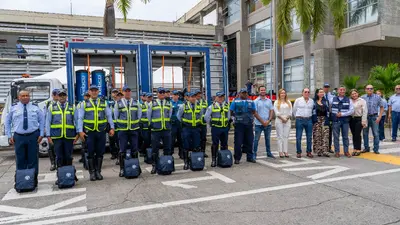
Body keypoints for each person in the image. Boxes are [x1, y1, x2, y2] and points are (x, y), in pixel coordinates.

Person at [77, 85, 115, 181]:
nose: (94, 92)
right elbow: (80, 118)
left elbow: (109, 115)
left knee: (100, 152)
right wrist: (80, 131)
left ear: (98, 92)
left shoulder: (103, 103)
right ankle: (92, 173)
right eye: (92, 90)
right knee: (90, 152)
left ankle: (98, 172)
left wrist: (112, 128)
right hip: (89, 132)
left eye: (95, 91)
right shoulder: (84, 104)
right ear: (89, 92)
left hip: (101, 132)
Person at [5, 90, 44, 182]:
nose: (25, 97)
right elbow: (7, 121)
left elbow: (42, 120)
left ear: (29, 97)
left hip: (33, 136)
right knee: (20, 159)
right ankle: (21, 180)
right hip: (19, 136)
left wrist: (41, 134)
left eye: (27, 95)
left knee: (33, 159)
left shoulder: (35, 107)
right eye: (23, 96)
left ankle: (33, 180)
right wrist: (9, 135)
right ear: (19, 97)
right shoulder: (13, 108)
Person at [45, 89, 79, 183]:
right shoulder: (51, 107)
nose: (62, 97)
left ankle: (69, 175)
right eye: (60, 95)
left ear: (66, 96)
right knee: (59, 157)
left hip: (69, 136)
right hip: (57, 136)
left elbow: (77, 121)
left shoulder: (72, 107)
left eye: (64, 95)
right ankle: (60, 176)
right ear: (57, 97)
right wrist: (48, 135)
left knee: (68, 156)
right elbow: (47, 122)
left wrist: (77, 134)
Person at [230, 88, 264, 164]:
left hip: (249, 124)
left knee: (249, 141)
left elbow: (254, 111)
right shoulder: (235, 101)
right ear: (240, 94)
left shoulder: (251, 102)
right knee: (238, 142)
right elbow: (231, 111)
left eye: (245, 93)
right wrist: (232, 119)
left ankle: (250, 157)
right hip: (239, 124)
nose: (244, 94)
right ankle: (237, 158)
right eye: (243, 93)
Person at [114, 86, 141, 177]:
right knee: (122, 150)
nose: (128, 93)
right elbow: (116, 116)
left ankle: (136, 167)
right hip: (123, 130)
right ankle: (122, 169)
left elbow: (139, 116)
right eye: (126, 91)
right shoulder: (118, 103)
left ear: (131, 92)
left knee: (135, 149)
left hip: (133, 130)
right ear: (123, 92)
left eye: (129, 91)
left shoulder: (136, 103)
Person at [147, 87, 173, 174]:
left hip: (166, 129)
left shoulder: (169, 103)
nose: (162, 94)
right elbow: (148, 116)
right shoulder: (152, 104)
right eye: (160, 92)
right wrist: (153, 125)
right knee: (155, 149)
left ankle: (167, 165)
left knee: (167, 148)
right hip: (156, 129)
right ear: (157, 94)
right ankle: (155, 166)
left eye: (163, 92)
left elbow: (169, 115)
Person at [177, 92, 202, 170]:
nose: (193, 98)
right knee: (186, 146)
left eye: (194, 97)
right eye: (191, 97)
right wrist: (184, 123)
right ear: (188, 98)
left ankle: (195, 162)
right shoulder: (183, 106)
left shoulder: (199, 106)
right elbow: (178, 116)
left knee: (196, 145)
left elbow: (201, 115)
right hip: (186, 128)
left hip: (196, 128)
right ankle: (186, 162)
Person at [205, 91, 230, 167]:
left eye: (222, 97)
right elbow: (206, 117)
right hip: (216, 128)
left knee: (224, 144)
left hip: (224, 128)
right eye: (219, 97)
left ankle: (223, 159)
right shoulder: (211, 106)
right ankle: (214, 160)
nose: (221, 98)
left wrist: (226, 123)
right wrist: (211, 124)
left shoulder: (226, 105)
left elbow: (228, 117)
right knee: (215, 144)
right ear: (216, 98)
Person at [331, 86, 354, 158]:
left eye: (343, 90)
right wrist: (334, 115)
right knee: (336, 137)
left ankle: (346, 151)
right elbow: (329, 108)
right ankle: (337, 152)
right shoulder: (332, 99)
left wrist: (342, 114)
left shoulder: (349, 100)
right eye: (340, 90)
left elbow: (351, 110)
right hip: (336, 121)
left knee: (345, 137)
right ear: (338, 91)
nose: (342, 91)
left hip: (345, 121)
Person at [253, 86, 274, 159]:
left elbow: (271, 110)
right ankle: (254, 154)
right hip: (258, 124)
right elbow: (255, 113)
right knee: (256, 140)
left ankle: (269, 153)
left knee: (267, 139)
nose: (263, 91)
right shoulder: (255, 101)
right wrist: (262, 122)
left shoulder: (269, 101)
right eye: (261, 90)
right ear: (259, 91)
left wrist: (269, 120)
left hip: (268, 124)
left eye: (264, 90)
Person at [361, 84, 383, 154]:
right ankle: (366, 148)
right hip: (365, 117)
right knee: (365, 133)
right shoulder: (362, 97)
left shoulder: (377, 97)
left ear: (373, 89)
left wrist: (379, 117)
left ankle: (376, 149)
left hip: (374, 117)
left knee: (376, 134)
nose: (369, 90)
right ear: (365, 90)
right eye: (368, 88)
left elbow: (382, 107)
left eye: (371, 88)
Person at [293, 88, 314, 158]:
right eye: (305, 92)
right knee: (298, 137)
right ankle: (299, 152)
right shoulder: (298, 100)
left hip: (309, 120)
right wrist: (297, 117)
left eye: (308, 92)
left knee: (309, 137)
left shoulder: (312, 101)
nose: (307, 93)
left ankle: (309, 152)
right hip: (300, 120)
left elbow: (313, 111)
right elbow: (294, 110)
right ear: (302, 93)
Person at [43, 89, 60, 171]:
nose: (56, 95)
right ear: (52, 95)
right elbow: (44, 117)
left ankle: (59, 162)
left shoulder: (64, 103)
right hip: (52, 129)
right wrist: (45, 128)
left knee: (60, 148)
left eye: (58, 94)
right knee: (51, 147)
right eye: (54, 94)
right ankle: (53, 163)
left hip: (61, 130)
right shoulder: (48, 104)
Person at [312, 88, 331, 157]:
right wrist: (314, 120)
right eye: (320, 92)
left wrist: (327, 120)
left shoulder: (326, 101)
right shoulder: (313, 101)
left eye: (323, 92)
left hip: (325, 119)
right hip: (317, 119)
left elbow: (328, 111)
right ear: (317, 93)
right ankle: (318, 151)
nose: (322, 93)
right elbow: (312, 111)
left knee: (325, 135)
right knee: (317, 135)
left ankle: (325, 151)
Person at [274, 89, 292, 158]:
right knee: (280, 136)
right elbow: (276, 112)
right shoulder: (276, 102)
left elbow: (290, 112)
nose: (283, 94)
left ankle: (286, 151)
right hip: (279, 120)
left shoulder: (288, 102)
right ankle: (280, 151)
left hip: (287, 120)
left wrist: (286, 119)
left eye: (284, 93)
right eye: (281, 93)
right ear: (279, 94)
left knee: (286, 136)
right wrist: (282, 119)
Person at [349, 89, 367, 156]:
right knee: (353, 134)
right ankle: (355, 149)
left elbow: (365, 111)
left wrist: (364, 121)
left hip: (359, 119)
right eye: (352, 94)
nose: (354, 95)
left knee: (357, 134)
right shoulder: (349, 101)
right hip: (351, 119)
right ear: (351, 95)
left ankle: (358, 149)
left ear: (357, 93)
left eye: (355, 93)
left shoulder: (362, 101)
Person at [194, 89, 209, 158]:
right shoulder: (193, 102)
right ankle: (196, 151)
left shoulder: (204, 102)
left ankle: (203, 152)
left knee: (203, 138)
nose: (199, 96)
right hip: (196, 123)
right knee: (196, 138)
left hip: (203, 123)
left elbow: (206, 112)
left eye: (200, 94)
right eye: (197, 95)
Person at [78, 92, 91, 165]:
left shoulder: (91, 104)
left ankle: (87, 160)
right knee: (83, 144)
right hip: (83, 127)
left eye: (88, 96)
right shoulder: (80, 104)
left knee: (88, 144)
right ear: (84, 97)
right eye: (86, 96)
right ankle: (83, 158)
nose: (87, 97)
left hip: (88, 127)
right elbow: (78, 116)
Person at [170, 90, 184, 159]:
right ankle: (170, 153)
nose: (175, 96)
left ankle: (181, 153)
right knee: (172, 140)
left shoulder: (181, 103)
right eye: (174, 95)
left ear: (178, 96)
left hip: (179, 124)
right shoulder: (169, 103)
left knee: (180, 139)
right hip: (172, 124)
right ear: (172, 95)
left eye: (177, 95)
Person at [108, 89, 120, 161]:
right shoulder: (109, 103)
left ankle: (119, 155)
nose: (115, 94)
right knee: (111, 140)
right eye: (113, 93)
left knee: (118, 140)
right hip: (111, 124)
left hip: (118, 124)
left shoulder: (120, 102)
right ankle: (113, 154)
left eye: (116, 93)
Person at [323, 83, 335, 153]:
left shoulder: (332, 96)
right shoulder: (321, 95)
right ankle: (323, 147)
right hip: (322, 115)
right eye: (325, 87)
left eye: (327, 87)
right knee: (322, 132)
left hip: (330, 115)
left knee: (329, 132)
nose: (326, 88)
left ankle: (329, 147)